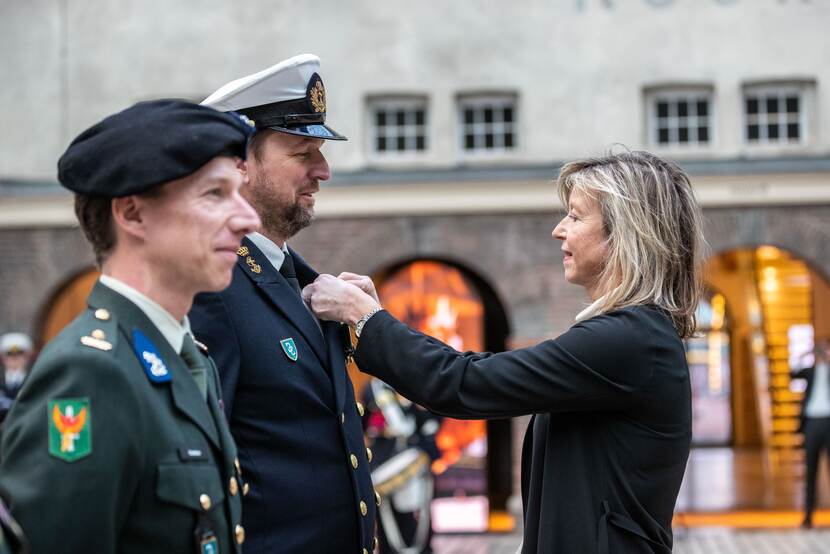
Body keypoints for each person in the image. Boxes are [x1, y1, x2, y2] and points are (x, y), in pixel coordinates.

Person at [305, 151, 706, 553]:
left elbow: (466, 382)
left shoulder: (628, 340)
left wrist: (366, 318)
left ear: (625, 234)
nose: (558, 230)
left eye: (576, 216)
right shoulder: (634, 336)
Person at [0, 100, 261, 552]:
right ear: (133, 214)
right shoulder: (90, 373)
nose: (247, 218)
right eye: (215, 194)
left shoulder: (189, 358)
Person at [189, 54, 377, 553]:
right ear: (240, 166)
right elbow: (205, 464)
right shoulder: (214, 287)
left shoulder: (301, 280)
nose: (324, 171)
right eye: (302, 153)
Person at [362, 378, 441, 554]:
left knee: (419, 517)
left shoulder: (413, 381)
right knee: (387, 520)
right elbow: (366, 425)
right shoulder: (372, 389)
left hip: (416, 460)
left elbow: (431, 420)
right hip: (384, 464)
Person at [791, 338, 830, 528]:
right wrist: (803, 356)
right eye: (820, 351)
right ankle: (808, 517)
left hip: (829, 422)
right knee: (810, 471)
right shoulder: (810, 371)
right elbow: (792, 374)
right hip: (812, 424)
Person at [0, 333, 33, 422]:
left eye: (19, 354)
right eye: (9, 354)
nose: (14, 359)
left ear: (27, 356)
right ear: (2, 357)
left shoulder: (33, 382)